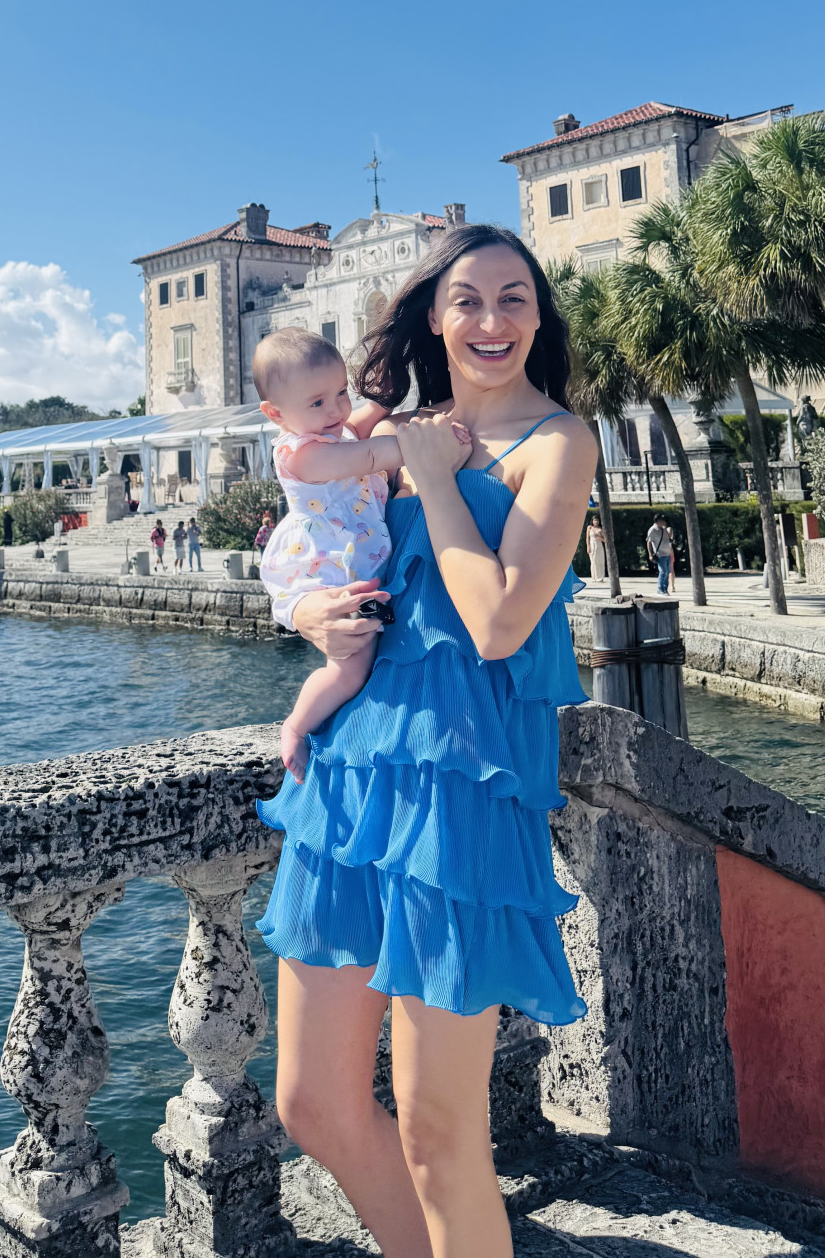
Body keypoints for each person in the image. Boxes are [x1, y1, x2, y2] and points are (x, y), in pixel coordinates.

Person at [257, 223, 597, 1258]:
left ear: (538, 315)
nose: (492, 319)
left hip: (465, 792)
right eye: (468, 300)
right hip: (353, 773)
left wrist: (436, 475)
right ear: (435, 318)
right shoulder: (386, 430)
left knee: (442, 1128)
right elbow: (311, 539)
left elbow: (498, 620)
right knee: (313, 1102)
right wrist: (308, 614)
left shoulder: (559, 442)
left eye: (514, 297)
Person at [253, 327, 470, 779]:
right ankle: (296, 726)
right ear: (275, 414)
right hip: (334, 572)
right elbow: (369, 456)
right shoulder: (300, 454)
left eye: (340, 393)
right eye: (317, 402)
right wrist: (427, 444)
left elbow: (364, 422)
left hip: (360, 566)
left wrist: (386, 397)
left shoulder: (330, 430)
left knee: (373, 655)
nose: (336, 410)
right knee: (350, 669)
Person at [646, 515, 675, 594]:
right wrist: (650, 554)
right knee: (663, 572)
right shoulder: (652, 530)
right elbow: (649, 542)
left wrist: (671, 540)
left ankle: (665, 589)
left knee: (667, 572)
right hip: (660, 554)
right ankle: (660, 589)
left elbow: (667, 538)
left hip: (667, 553)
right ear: (657, 521)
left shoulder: (664, 529)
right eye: (663, 521)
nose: (664, 522)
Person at [585, 510, 607, 586]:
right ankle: (594, 577)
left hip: (599, 545)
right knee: (593, 561)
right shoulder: (589, 528)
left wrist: (600, 538)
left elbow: (605, 540)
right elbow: (587, 538)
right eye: (595, 520)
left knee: (600, 561)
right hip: (592, 545)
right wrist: (588, 546)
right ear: (592, 521)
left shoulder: (600, 529)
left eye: (597, 520)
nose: (596, 522)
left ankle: (600, 577)